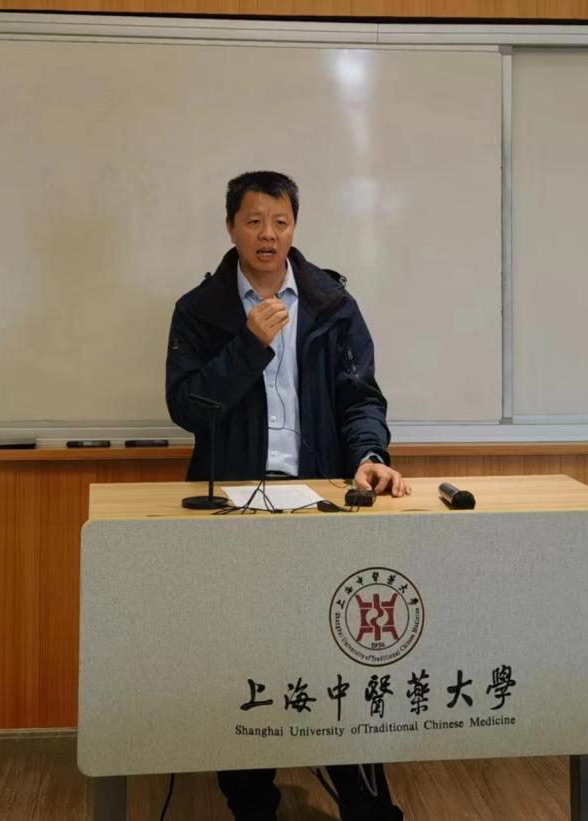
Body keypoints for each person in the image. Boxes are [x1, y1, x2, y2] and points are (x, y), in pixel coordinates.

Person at [165, 170, 408, 821]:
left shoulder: (332, 304)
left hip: (321, 500)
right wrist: (249, 345)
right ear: (231, 228)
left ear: (295, 226)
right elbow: (188, 407)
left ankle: (365, 802)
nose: (267, 234)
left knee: (342, 651)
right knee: (243, 657)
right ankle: (250, 804)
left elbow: (361, 398)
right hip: (235, 507)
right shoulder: (200, 310)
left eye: (280, 221)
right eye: (254, 221)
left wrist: (369, 457)